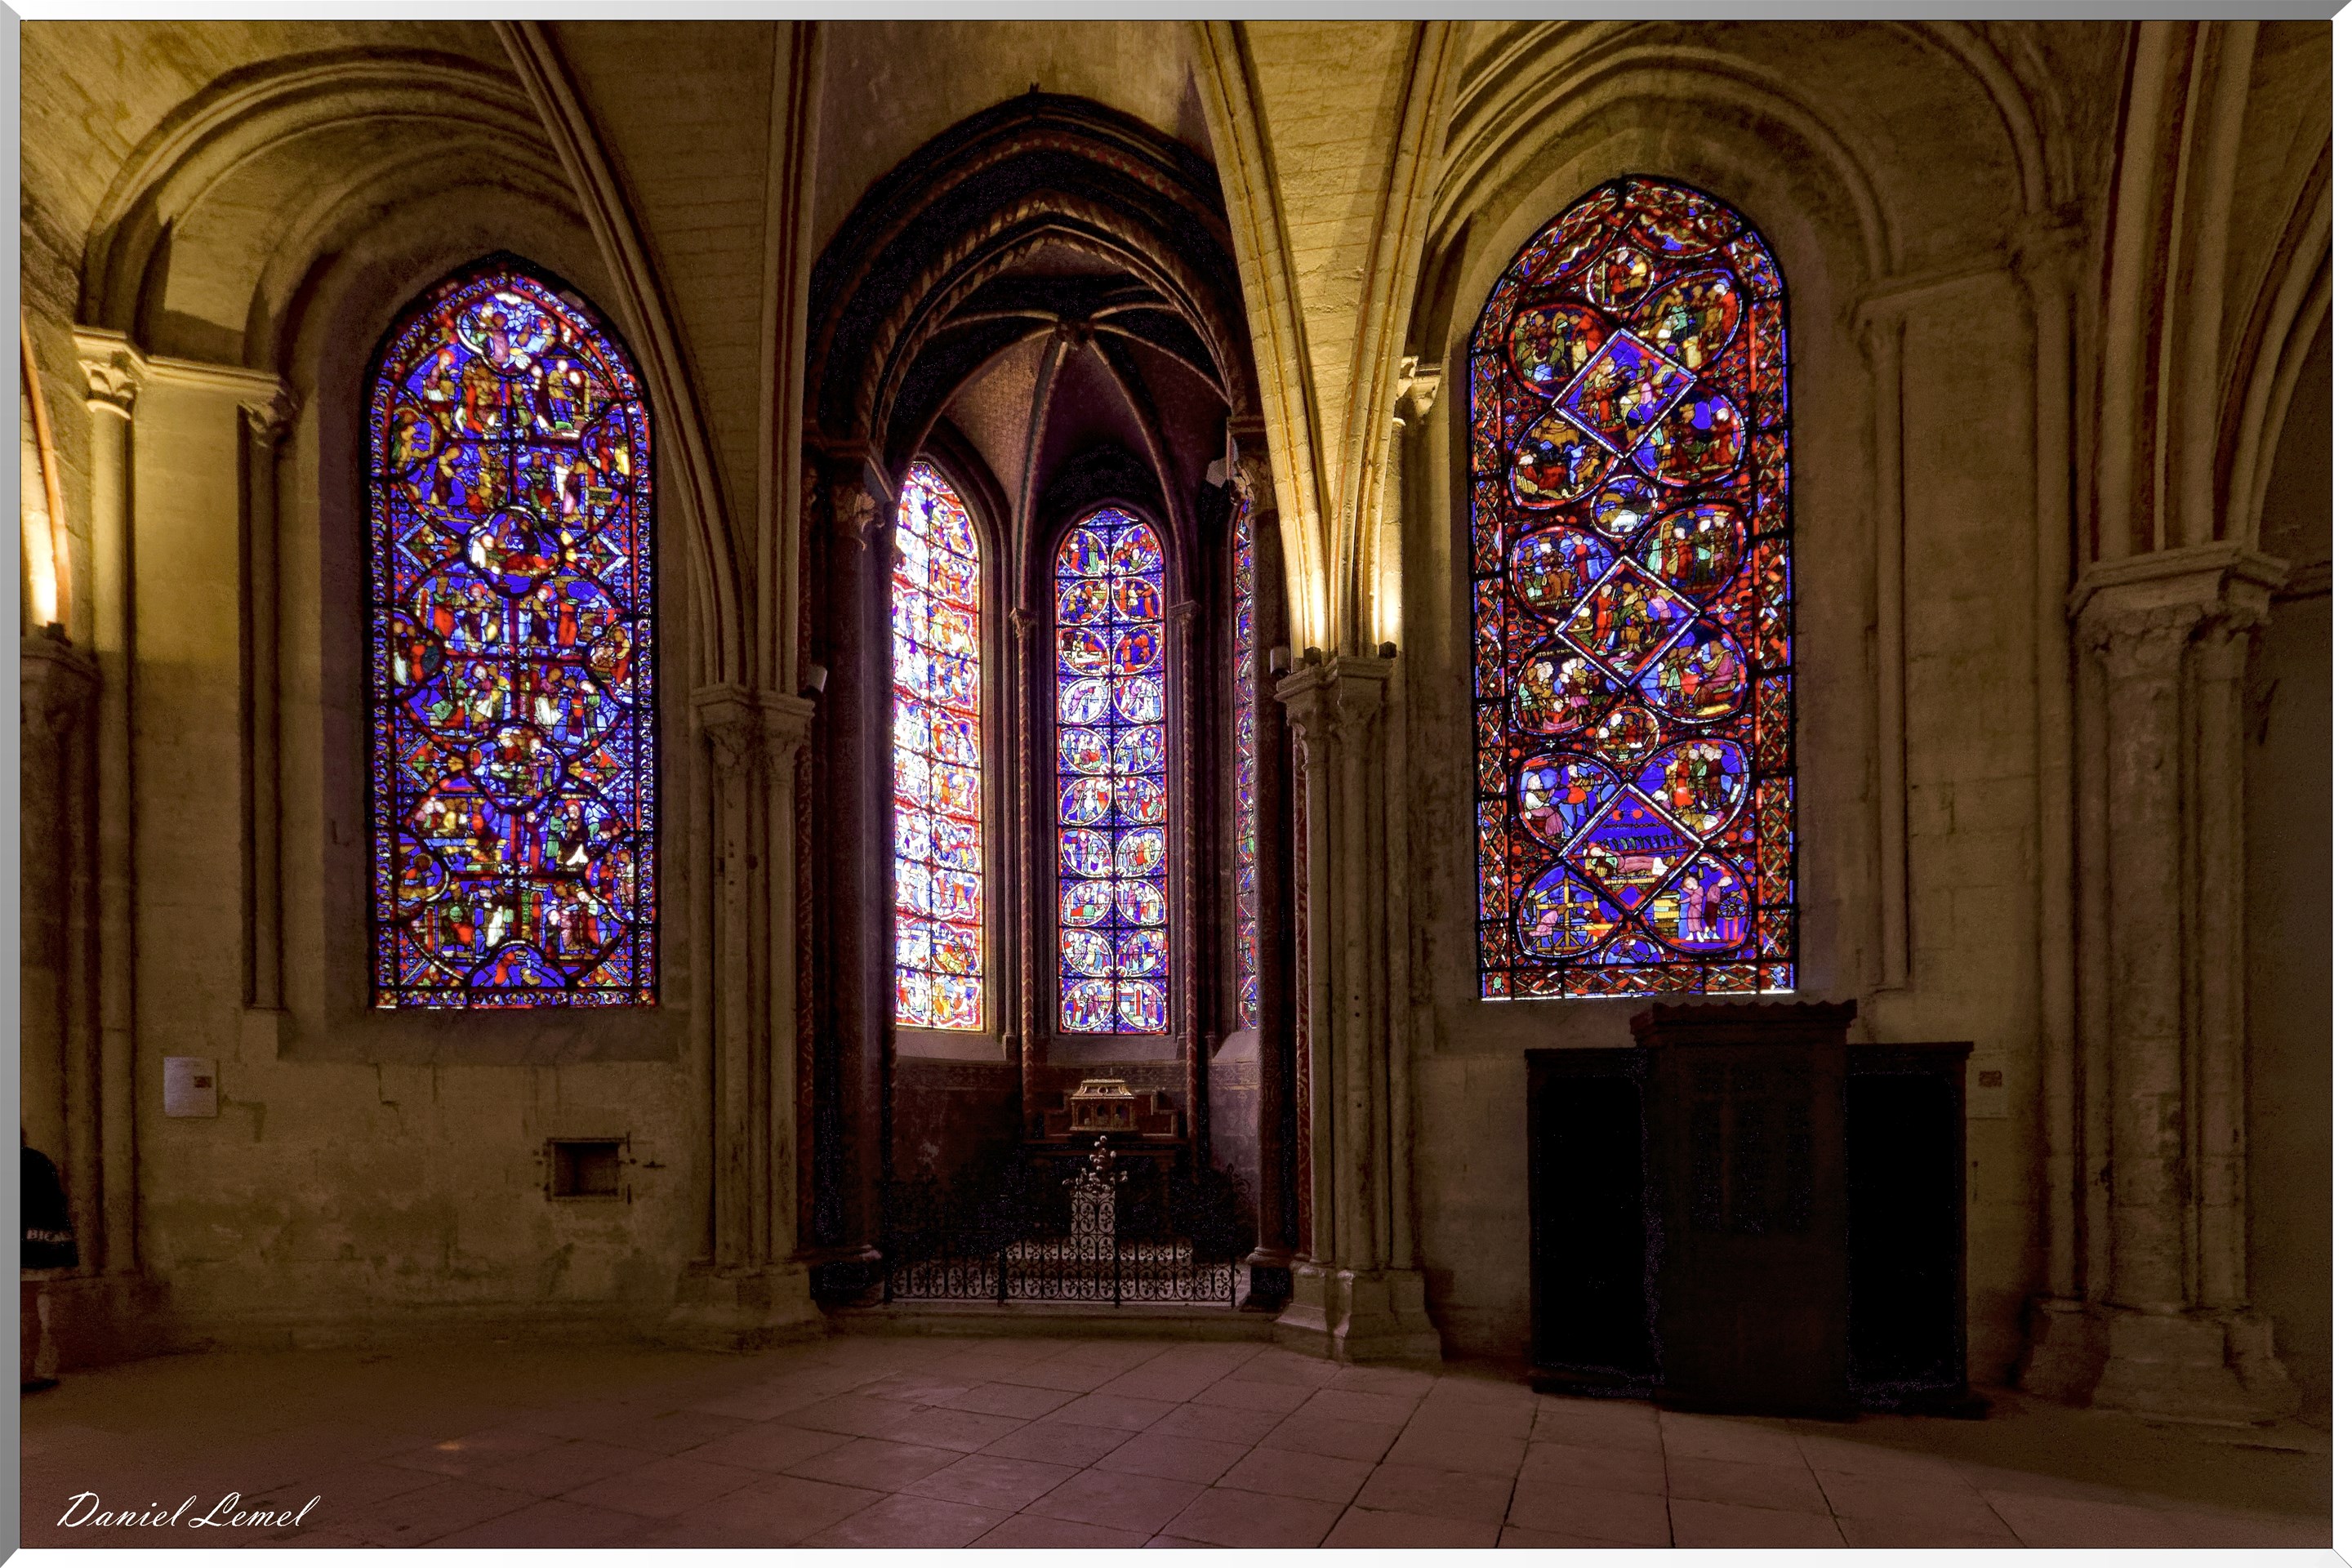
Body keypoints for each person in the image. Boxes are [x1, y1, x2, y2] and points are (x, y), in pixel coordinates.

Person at [22, 1131, 77, 1392]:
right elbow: (57, 1204)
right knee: (29, 1310)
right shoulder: (38, 1162)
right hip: (32, 1250)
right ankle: (24, 1372)